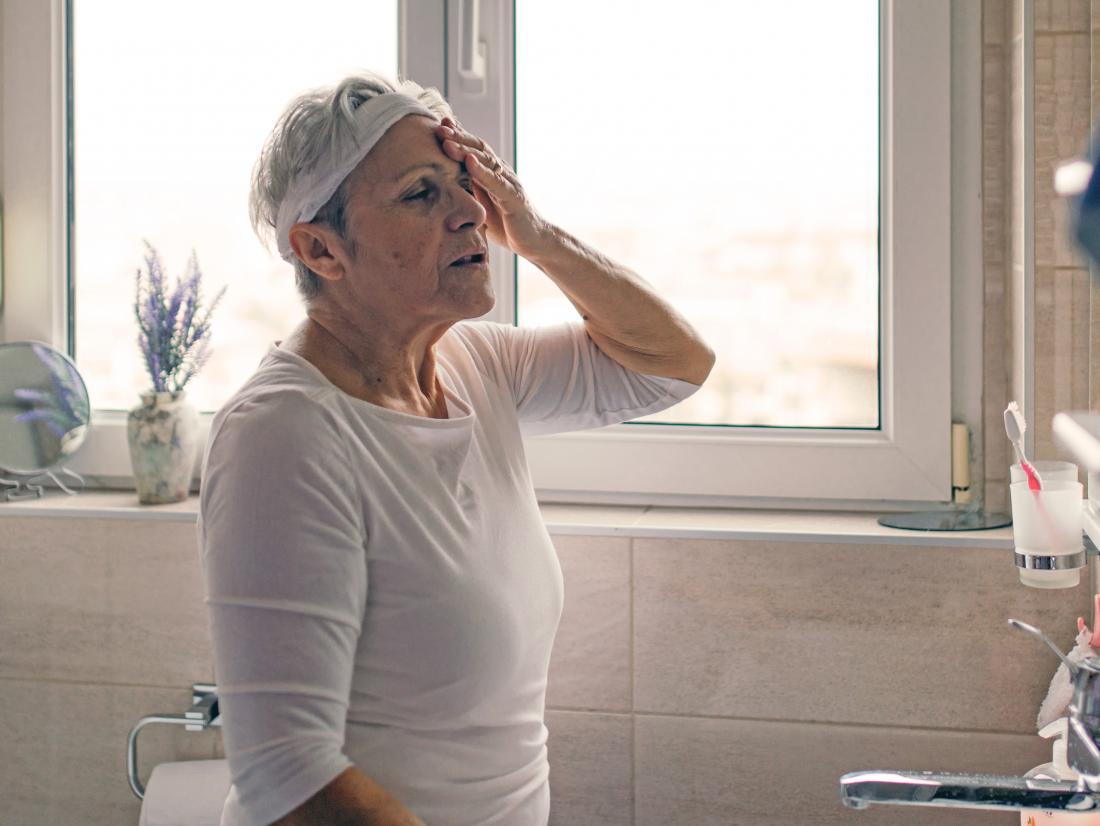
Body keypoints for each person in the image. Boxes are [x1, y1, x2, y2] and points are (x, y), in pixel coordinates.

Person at [198, 70, 714, 826]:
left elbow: (673, 365)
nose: (472, 211)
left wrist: (535, 234)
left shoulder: (478, 366)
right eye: (421, 194)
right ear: (321, 250)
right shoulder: (283, 434)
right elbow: (289, 778)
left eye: (464, 182)